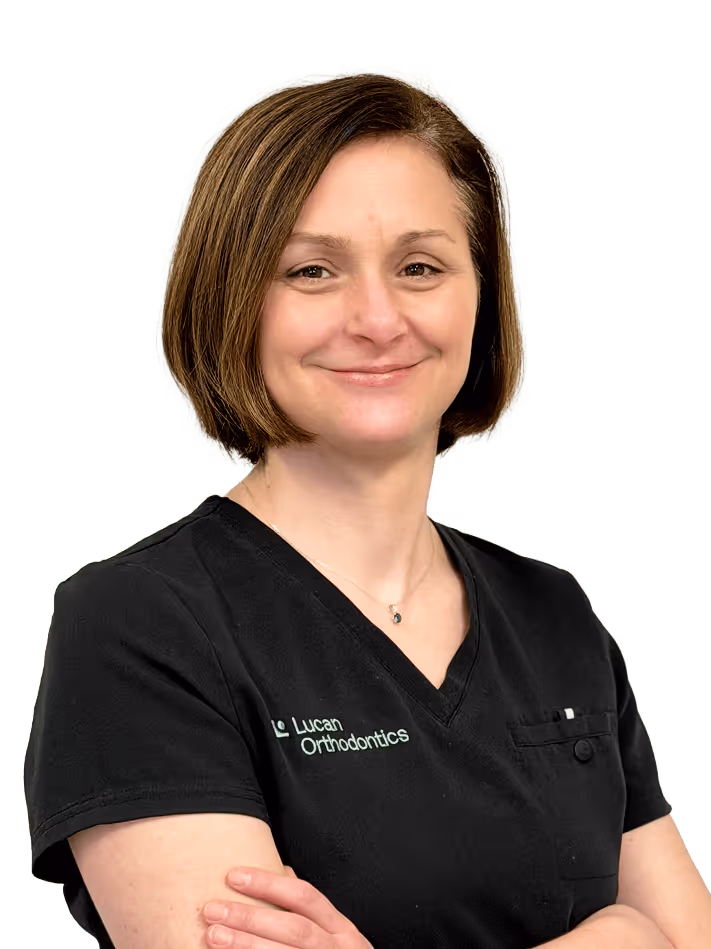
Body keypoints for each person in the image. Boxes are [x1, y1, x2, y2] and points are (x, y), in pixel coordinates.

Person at [23, 62, 709, 949]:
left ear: (482, 298)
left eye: (420, 265)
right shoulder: (140, 624)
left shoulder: (554, 615)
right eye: (312, 271)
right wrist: (618, 936)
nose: (378, 317)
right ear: (230, 303)